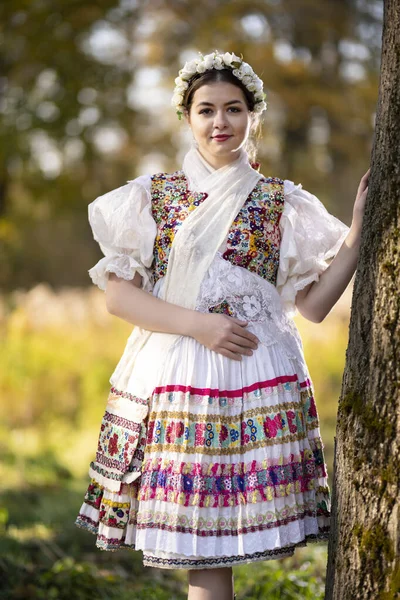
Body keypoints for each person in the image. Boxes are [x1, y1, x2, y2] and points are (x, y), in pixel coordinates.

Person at [75, 50, 369, 600]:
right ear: (187, 117)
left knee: (222, 549)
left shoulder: (282, 202)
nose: (220, 122)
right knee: (201, 553)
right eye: (206, 110)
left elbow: (312, 306)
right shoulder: (153, 197)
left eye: (233, 109)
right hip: (183, 382)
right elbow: (118, 298)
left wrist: (354, 236)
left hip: (257, 384)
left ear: (252, 115)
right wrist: (199, 326)